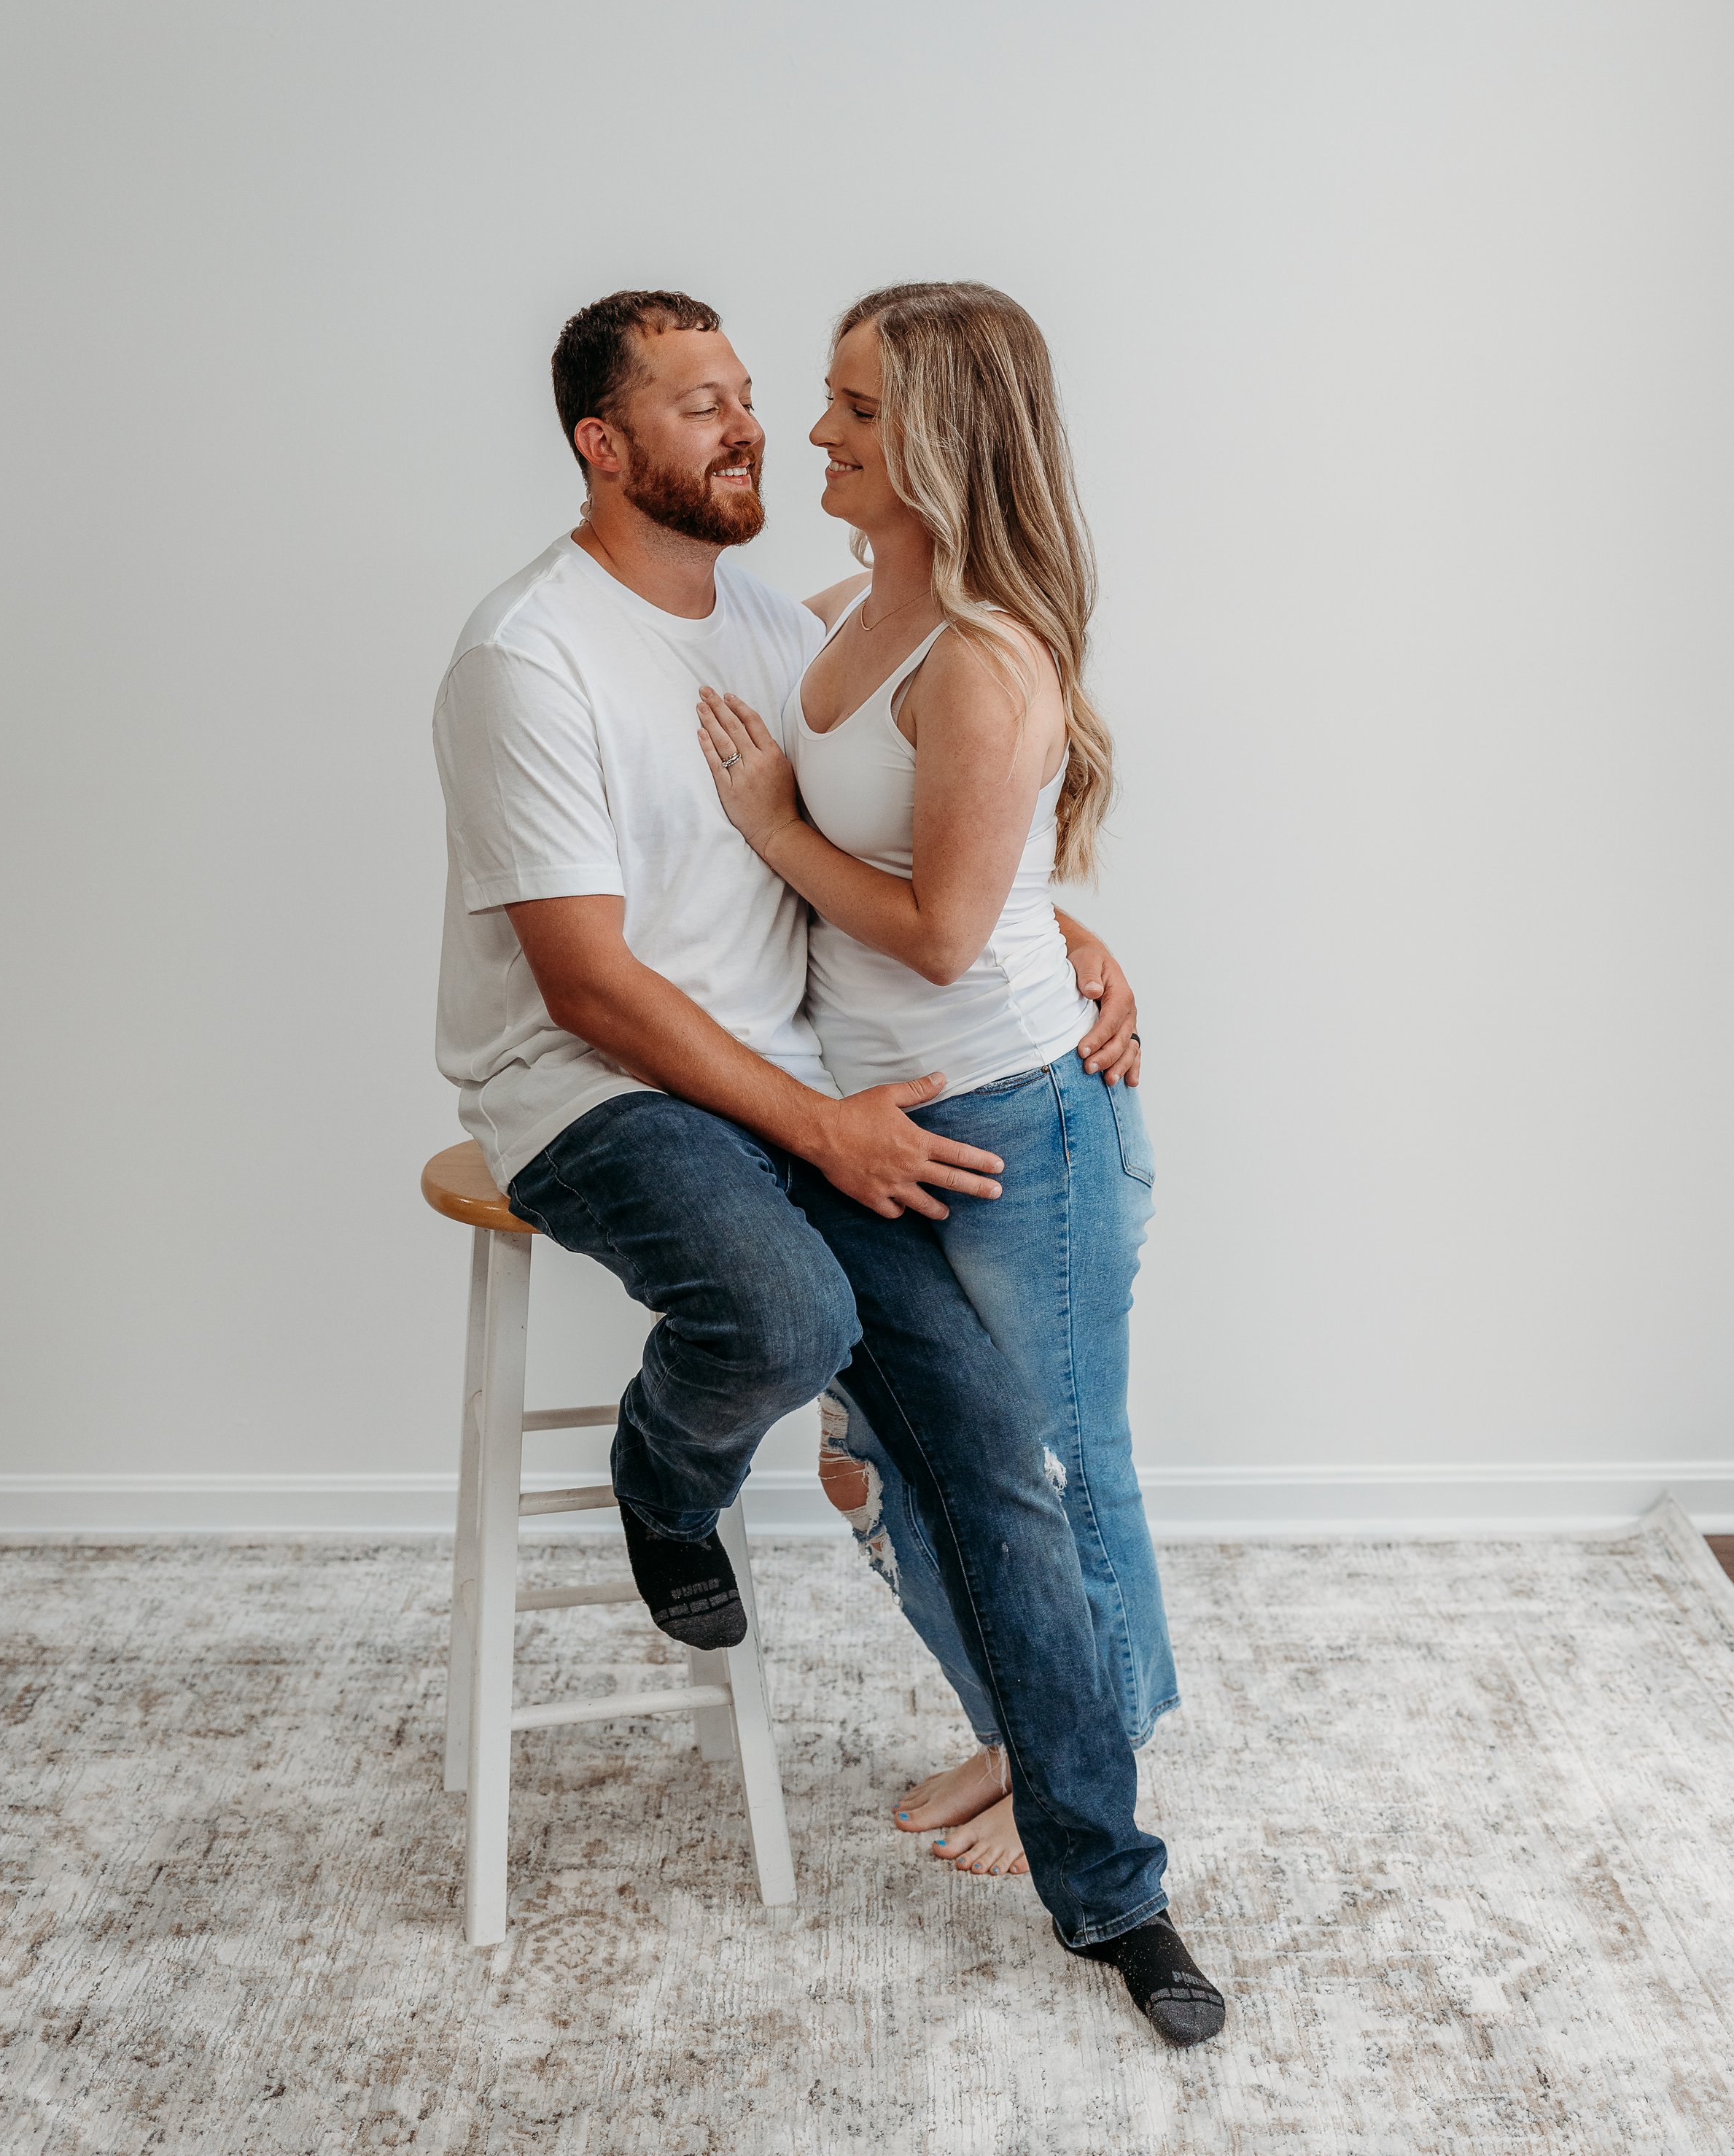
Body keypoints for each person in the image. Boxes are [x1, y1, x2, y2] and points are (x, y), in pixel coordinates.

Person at [432, 287, 1225, 2044]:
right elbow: (587, 985)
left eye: (757, 397)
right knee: (787, 1315)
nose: (758, 433)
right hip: (596, 1093)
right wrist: (818, 1128)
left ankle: (1113, 1896)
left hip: (797, 1092)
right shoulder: (529, 658)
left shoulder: (775, 625)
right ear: (601, 446)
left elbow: (902, 832)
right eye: (704, 406)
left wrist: (1061, 926)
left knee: (992, 1459)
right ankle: (664, 1481)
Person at [696, 279, 1178, 1896]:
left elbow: (944, 922)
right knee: (877, 1456)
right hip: (876, 1120)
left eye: (852, 408)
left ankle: (1082, 1770)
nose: (809, 433)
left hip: (1011, 1118)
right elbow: (980, 869)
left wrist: (770, 825)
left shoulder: (981, 654)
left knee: (1052, 1462)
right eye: (826, 400)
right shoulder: (845, 613)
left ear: (941, 438)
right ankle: (1028, 1726)